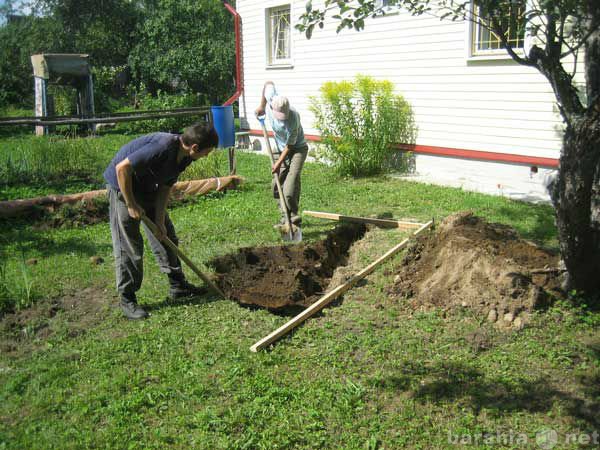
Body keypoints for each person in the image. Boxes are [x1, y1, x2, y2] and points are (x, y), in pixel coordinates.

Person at [103, 122, 219, 320]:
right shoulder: (162, 147)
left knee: (166, 236)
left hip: (149, 188)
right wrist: (131, 204)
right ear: (195, 148)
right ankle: (127, 298)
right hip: (123, 187)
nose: (206, 156)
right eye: (206, 152)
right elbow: (122, 169)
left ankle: (178, 286)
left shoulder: (184, 158)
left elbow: (166, 186)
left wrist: (159, 221)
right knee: (129, 244)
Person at [255, 81, 308, 228]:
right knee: (276, 185)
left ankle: (293, 215)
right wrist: (261, 105)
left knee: (290, 185)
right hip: (279, 148)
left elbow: (290, 146)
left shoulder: (294, 118)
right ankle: (285, 217)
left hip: (298, 149)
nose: (282, 118)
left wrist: (278, 164)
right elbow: (267, 84)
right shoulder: (273, 99)